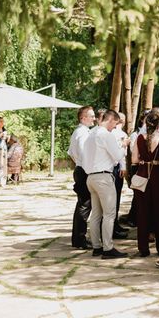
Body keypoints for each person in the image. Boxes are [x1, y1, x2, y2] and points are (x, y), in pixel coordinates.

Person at [82, 110, 130, 259]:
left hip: (90, 177)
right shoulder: (105, 134)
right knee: (109, 214)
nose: (114, 128)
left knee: (96, 214)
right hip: (103, 177)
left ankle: (97, 246)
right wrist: (123, 145)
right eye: (114, 124)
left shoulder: (91, 134)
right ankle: (108, 248)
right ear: (110, 120)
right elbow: (117, 156)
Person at [131, 111, 159, 257]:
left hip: (142, 175)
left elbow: (134, 159)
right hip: (158, 175)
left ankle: (143, 248)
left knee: (142, 212)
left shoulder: (139, 138)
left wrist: (143, 160)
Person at [68, 106, 95, 249]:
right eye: (91, 116)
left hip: (80, 168)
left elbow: (71, 153)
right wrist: (89, 170)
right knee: (84, 205)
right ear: (83, 118)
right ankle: (79, 239)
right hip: (84, 170)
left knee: (83, 205)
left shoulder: (79, 132)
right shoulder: (82, 133)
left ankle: (78, 237)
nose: (94, 118)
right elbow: (85, 154)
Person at [110, 112, 129, 239]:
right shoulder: (121, 134)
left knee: (114, 198)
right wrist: (123, 167)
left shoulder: (112, 133)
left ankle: (114, 224)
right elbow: (122, 153)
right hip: (114, 167)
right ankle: (112, 226)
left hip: (112, 167)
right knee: (114, 198)